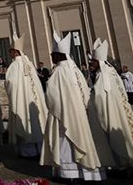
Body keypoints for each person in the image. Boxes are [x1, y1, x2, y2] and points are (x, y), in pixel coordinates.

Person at [40, 32, 106, 181]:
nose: (51, 56)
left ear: (58, 55)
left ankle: (69, 173)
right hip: (81, 115)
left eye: (52, 54)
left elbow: (51, 95)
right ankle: (85, 173)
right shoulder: (75, 70)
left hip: (64, 114)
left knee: (66, 142)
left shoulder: (58, 71)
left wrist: (53, 108)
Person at [87, 39, 133, 170]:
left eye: (93, 61)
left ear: (98, 61)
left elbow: (100, 97)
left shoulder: (102, 75)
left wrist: (90, 98)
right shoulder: (112, 72)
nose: (91, 63)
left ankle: (122, 166)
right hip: (120, 109)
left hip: (111, 111)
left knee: (115, 139)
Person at [5, 33, 46, 158]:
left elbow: (10, 83)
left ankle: (27, 152)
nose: (9, 54)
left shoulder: (14, 65)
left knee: (24, 121)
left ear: (15, 52)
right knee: (35, 124)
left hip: (21, 100)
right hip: (34, 101)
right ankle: (39, 149)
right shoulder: (29, 64)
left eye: (10, 51)